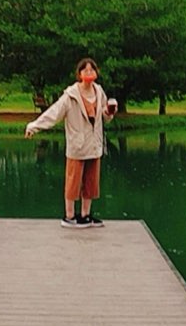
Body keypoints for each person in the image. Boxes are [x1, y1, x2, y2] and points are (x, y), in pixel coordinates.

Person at [24, 57, 117, 227]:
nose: (89, 72)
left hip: (94, 144)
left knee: (91, 182)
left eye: (92, 70)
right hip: (77, 144)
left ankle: (86, 215)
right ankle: (69, 216)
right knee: (73, 181)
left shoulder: (99, 92)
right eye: (85, 70)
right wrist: (34, 126)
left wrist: (109, 112)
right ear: (79, 74)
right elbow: (54, 113)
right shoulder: (71, 96)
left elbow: (105, 117)